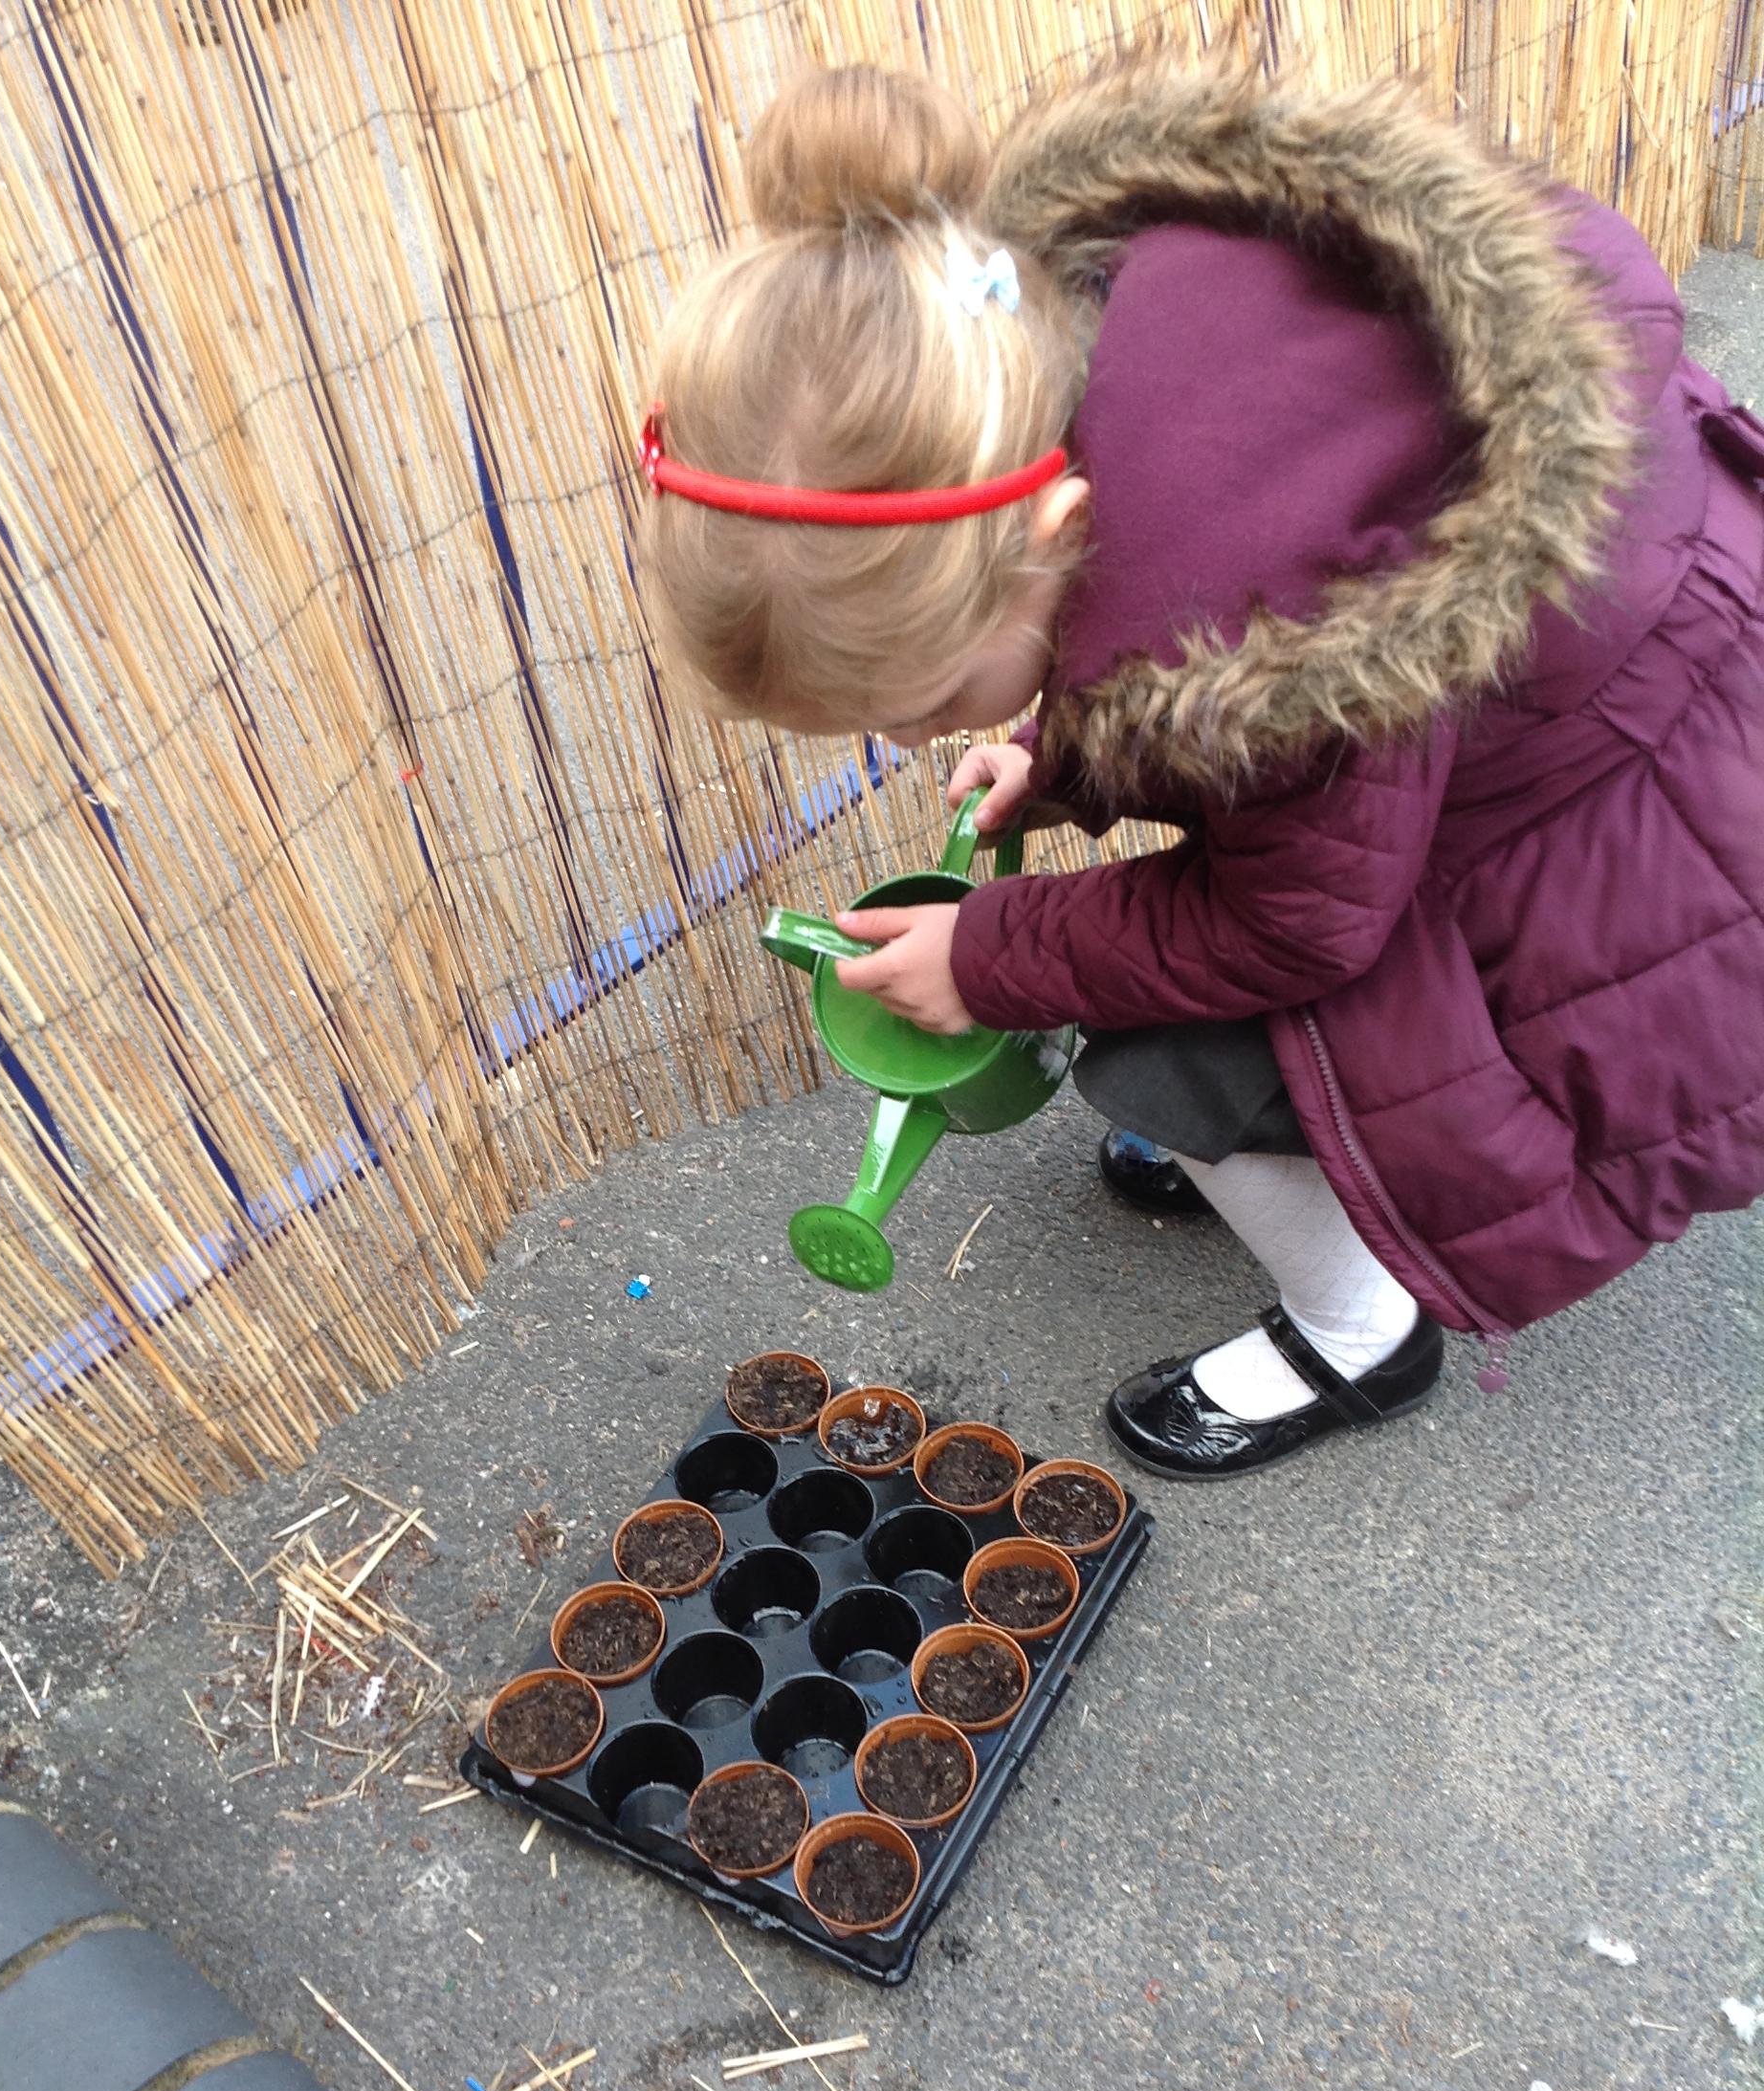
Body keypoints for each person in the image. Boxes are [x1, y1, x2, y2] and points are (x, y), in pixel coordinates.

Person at [636, 53, 1764, 1480]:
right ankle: (1305, 1170)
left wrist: (991, 957)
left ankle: (1358, 1331)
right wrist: (1055, 758)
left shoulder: (1288, 634)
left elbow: (1293, 923)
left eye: (925, 701)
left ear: (1050, 534)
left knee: (1160, 1055)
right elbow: (1154, 621)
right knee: (1167, 977)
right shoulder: (1102, 331)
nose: (914, 742)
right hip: (1596, 723)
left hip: (1663, 870)